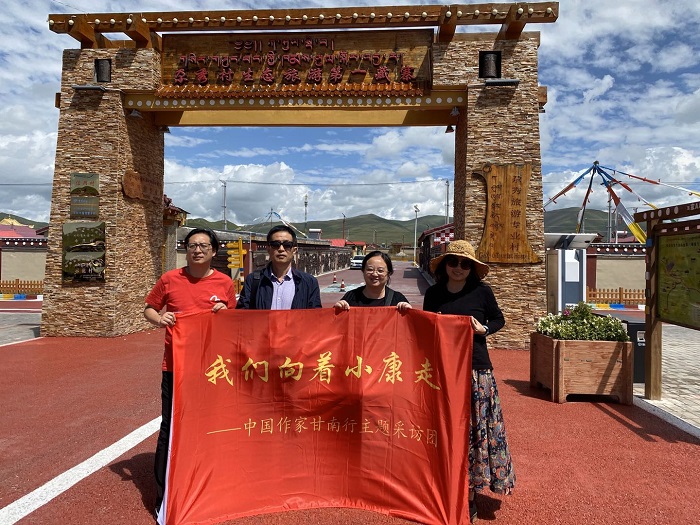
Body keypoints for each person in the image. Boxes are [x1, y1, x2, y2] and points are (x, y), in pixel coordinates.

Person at [143, 228, 236, 518]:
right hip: (176, 367)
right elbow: (149, 308)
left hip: (212, 369)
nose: (197, 250)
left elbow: (235, 321)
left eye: (203, 246)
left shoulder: (224, 283)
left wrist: (225, 311)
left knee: (210, 423)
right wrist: (160, 318)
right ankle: (165, 494)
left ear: (213, 251)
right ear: (186, 249)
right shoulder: (170, 279)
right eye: (192, 245)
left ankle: (208, 482)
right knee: (170, 427)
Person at [422, 240, 514, 523]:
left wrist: (483, 329)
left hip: (476, 370)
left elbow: (498, 320)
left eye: (465, 264)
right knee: (445, 429)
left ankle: (470, 495)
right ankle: (444, 485)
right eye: (453, 262)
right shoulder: (434, 294)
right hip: (443, 370)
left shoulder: (482, 292)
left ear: (472, 268)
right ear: (445, 265)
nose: (458, 268)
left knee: (474, 433)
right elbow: (425, 326)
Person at [236, 225, 322, 309]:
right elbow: (242, 314)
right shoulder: (253, 280)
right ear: (268, 249)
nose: (281, 249)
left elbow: (316, 316)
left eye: (287, 245)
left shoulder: (309, 282)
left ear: (294, 250)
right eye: (275, 244)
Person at [333, 250, 411, 311]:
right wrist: (337, 309)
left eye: (380, 270)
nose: (375, 274)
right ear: (363, 271)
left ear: (388, 273)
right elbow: (335, 323)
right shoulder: (351, 297)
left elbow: (410, 324)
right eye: (370, 269)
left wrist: (408, 311)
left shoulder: (398, 300)